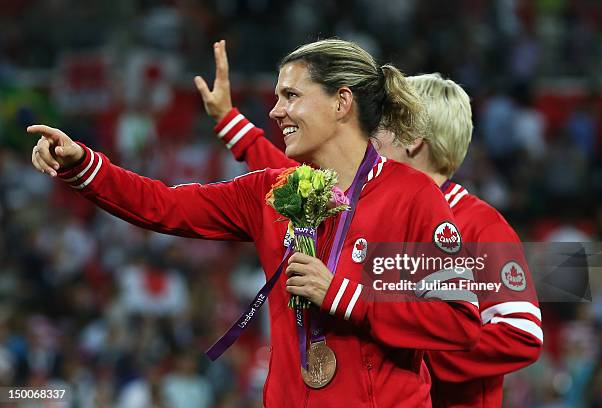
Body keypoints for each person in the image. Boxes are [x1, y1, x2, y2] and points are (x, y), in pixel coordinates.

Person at [28, 39, 481, 407]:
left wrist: (344, 297)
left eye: (291, 96)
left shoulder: (413, 198)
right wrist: (81, 163)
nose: (275, 111)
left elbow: (458, 323)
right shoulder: (270, 191)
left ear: (342, 102)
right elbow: (164, 205)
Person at [198, 42, 542, 407]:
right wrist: (229, 121)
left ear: (413, 142)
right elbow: (290, 178)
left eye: (384, 126)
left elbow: (522, 334)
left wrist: (405, 345)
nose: (368, 133)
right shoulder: (374, 202)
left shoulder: (481, 226)